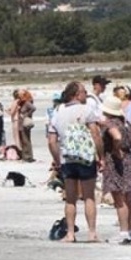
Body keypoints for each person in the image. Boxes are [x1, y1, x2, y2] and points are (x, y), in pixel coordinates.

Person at [47, 81, 104, 243]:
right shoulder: (88, 110)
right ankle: (92, 233)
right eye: (84, 92)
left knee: (70, 198)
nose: (86, 94)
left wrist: (57, 161)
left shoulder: (58, 113)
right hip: (86, 158)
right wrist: (101, 156)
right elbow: (96, 135)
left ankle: (70, 234)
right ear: (76, 94)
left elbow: (52, 141)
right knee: (89, 197)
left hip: (67, 159)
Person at [100, 96, 131, 245]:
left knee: (119, 199)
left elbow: (116, 137)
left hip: (115, 162)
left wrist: (116, 149)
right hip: (128, 162)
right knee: (128, 197)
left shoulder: (110, 124)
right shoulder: (125, 123)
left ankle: (123, 232)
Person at [17, 89, 37, 162]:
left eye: (20, 95)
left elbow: (33, 108)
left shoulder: (27, 102)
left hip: (25, 123)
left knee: (26, 140)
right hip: (22, 123)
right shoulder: (22, 102)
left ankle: (27, 157)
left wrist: (26, 115)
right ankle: (27, 156)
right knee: (25, 139)